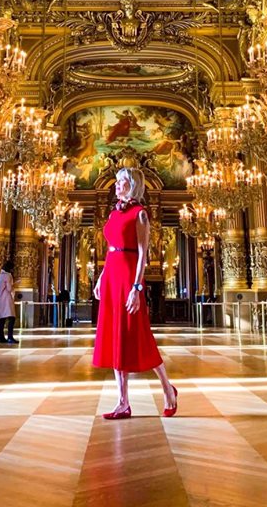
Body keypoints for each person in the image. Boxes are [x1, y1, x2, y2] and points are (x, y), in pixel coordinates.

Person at [93, 166, 178, 419]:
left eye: (121, 182)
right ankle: (122, 402)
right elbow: (111, 249)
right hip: (111, 277)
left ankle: (167, 388)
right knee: (114, 337)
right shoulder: (112, 214)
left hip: (129, 279)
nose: (116, 185)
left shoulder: (140, 214)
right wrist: (100, 277)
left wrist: (137, 288)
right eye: (116, 182)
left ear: (133, 185)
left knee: (139, 336)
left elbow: (143, 255)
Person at [0, 259, 17, 345]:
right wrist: (14, 284)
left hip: (0, 298)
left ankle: (1, 337)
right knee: (11, 318)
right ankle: (10, 337)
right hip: (6, 299)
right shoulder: (8, 276)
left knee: (2, 318)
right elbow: (9, 288)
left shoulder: (0, 275)